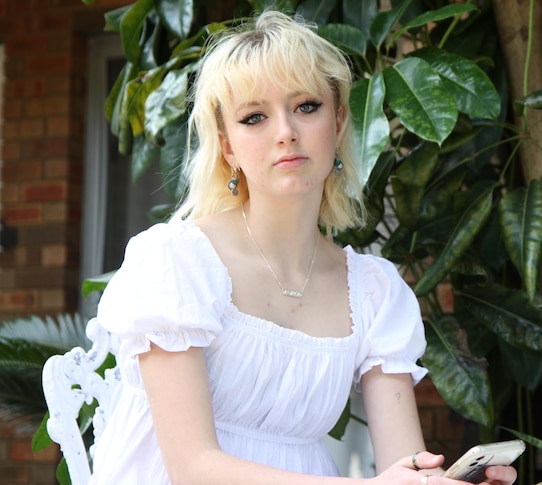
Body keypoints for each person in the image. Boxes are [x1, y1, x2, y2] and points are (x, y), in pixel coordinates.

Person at [88, 9, 517, 485]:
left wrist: (446, 481)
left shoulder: (374, 293)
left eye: (306, 106)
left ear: (338, 121)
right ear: (228, 147)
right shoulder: (177, 262)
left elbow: (406, 462)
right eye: (254, 117)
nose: (285, 131)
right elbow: (193, 470)